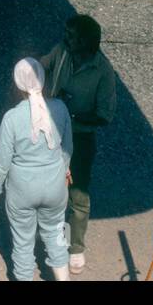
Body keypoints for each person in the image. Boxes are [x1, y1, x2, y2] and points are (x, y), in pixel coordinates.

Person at [39, 14, 116, 275]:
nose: (65, 37)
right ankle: (50, 237)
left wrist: (72, 114)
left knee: (78, 196)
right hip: (52, 134)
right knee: (49, 188)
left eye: (71, 35)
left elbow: (105, 115)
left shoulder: (103, 72)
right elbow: (42, 65)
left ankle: (76, 248)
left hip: (81, 138)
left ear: (85, 42)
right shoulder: (62, 51)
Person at [0, 58, 73, 281]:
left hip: (21, 190)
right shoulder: (60, 109)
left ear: (18, 85)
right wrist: (65, 169)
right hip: (55, 185)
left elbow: (1, 162)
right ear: (43, 81)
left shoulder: (12, 118)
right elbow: (67, 147)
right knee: (58, 235)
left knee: (23, 244)